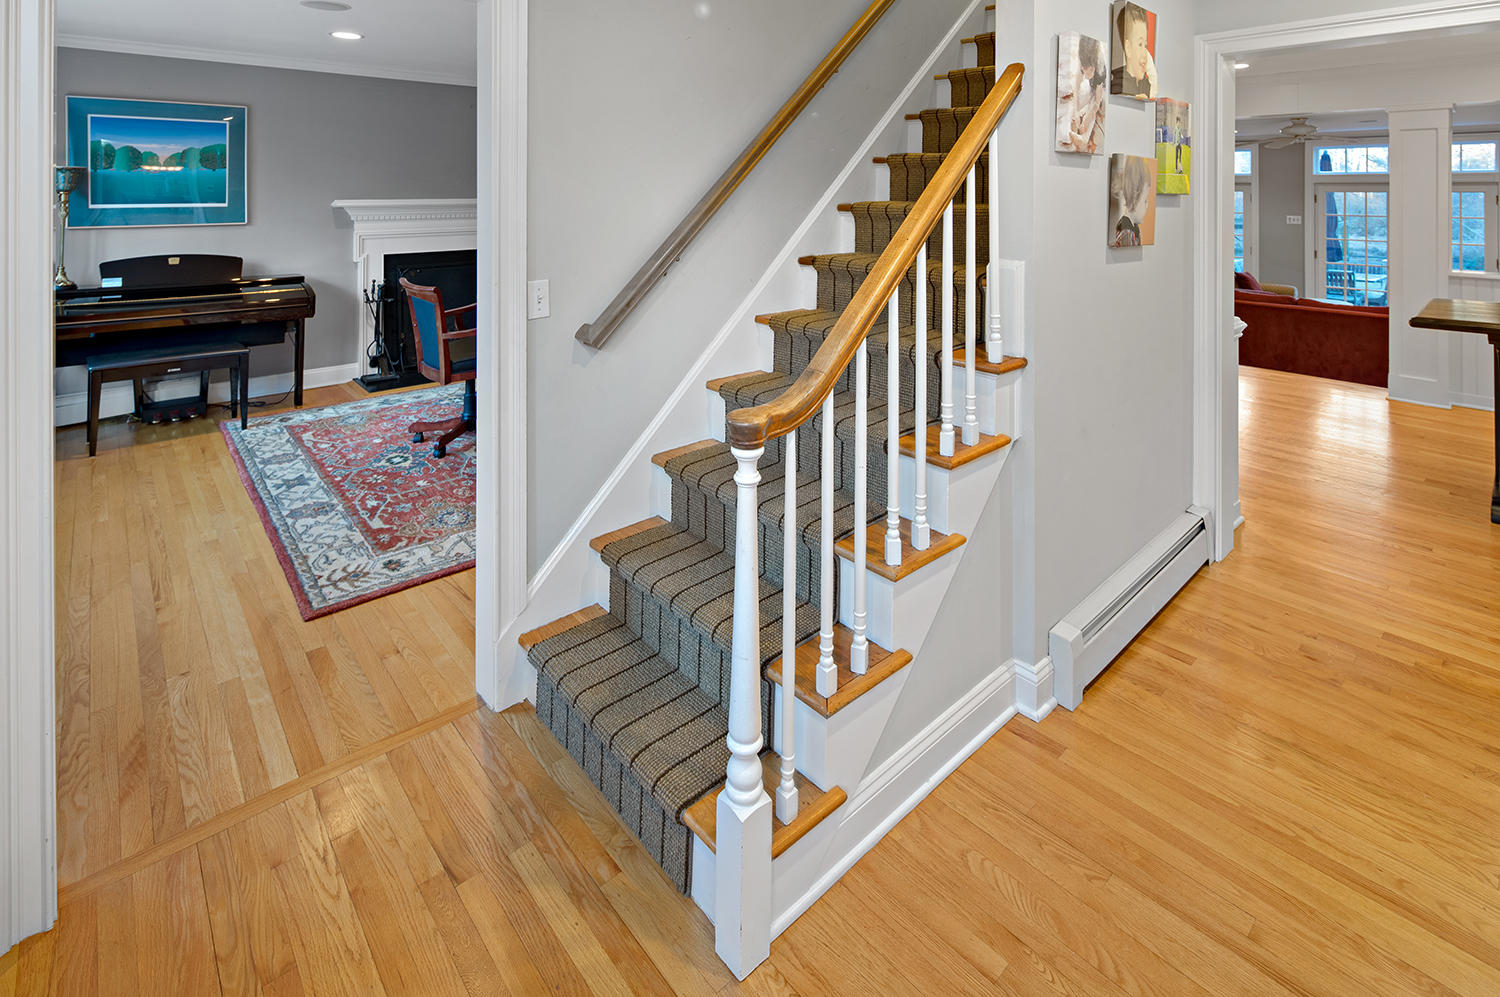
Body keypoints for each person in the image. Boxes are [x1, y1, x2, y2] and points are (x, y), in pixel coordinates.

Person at [1056, 34, 1106, 153]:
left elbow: (1095, 106)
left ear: (1094, 67)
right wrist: (1076, 112)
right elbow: (1076, 89)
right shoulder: (1082, 63)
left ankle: (1084, 139)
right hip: (1089, 86)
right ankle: (1072, 132)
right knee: (1075, 108)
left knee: (1093, 109)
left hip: (1098, 90)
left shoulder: (1100, 73)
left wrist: (1086, 118)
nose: (1086, 72)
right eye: (1084, 69)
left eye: (1089, 70)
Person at [1111, 2, 1158, 99]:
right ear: (1128, 48)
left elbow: (1154, 92)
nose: (1145, 54)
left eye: (1145, 45)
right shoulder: (1117, 83)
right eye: (1140, 44)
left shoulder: (1145, 84)